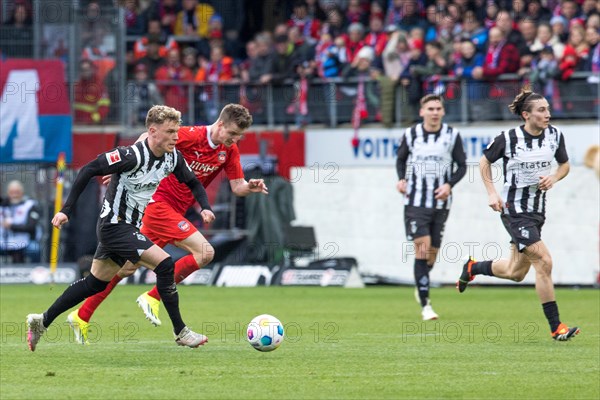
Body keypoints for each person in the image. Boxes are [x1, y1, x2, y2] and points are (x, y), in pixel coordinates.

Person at [67, 104, 268, 344]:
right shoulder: (190, 135)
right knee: (205, 252)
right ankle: (154, 298)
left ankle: (82, 314)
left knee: (124, 269)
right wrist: (127, 166)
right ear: (221, 124)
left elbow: (238, 187)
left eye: (239, 136)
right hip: (158, 205)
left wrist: (250, 187)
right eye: (233, 133)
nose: (235, 140)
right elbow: (148, 137)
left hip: (172, 212)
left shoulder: (229, 151)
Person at [26, 105, 216, 351]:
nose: (176, 137)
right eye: (170, 132)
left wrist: (205, 206)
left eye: (177, 131)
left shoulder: (172, 157)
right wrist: (66, 210)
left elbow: (193, 182)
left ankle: (41, 321)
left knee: (95, 283)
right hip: (114, 225)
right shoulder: (130, 155)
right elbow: (88, 169)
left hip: (128, 226)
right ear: (152, 131)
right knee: (165, 263)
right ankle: (181, 331)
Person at [456, 87, 580, 342]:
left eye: (548, 109)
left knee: (516, 273)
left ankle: (473, 267)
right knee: (544, 261)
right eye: (542, 110)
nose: (548, 114)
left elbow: (565, 164)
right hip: (515, 211)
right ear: (527, 115)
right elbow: (483, 162)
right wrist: (492, 193)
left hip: (537, 211)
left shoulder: (555, 136)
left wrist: (554, 177)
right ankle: (556, 327)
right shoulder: (508, 138)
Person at [396, 94, 467, 321]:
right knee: (422, 247)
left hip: (441, 202)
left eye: (438, 108)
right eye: (430, 109)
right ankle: (426, 306)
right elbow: (401, 160)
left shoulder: (452, 135)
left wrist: (449, 184)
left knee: (431, 255)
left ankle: (421, 283)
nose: (434, 112)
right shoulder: (411, 134)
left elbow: (462, 166)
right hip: (415, 201)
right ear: (422, 112)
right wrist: (401, 179)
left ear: (443, 112)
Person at [0, 180, 41, 263]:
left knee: (34, 249)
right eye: (12, 192)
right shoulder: (3, 206)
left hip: (23, 241)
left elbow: (31, 227)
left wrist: (11, 226)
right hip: (3, 241)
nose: (14, 194)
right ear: (8, 192)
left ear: (22, 192)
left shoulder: (30, 205)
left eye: (17, 192)